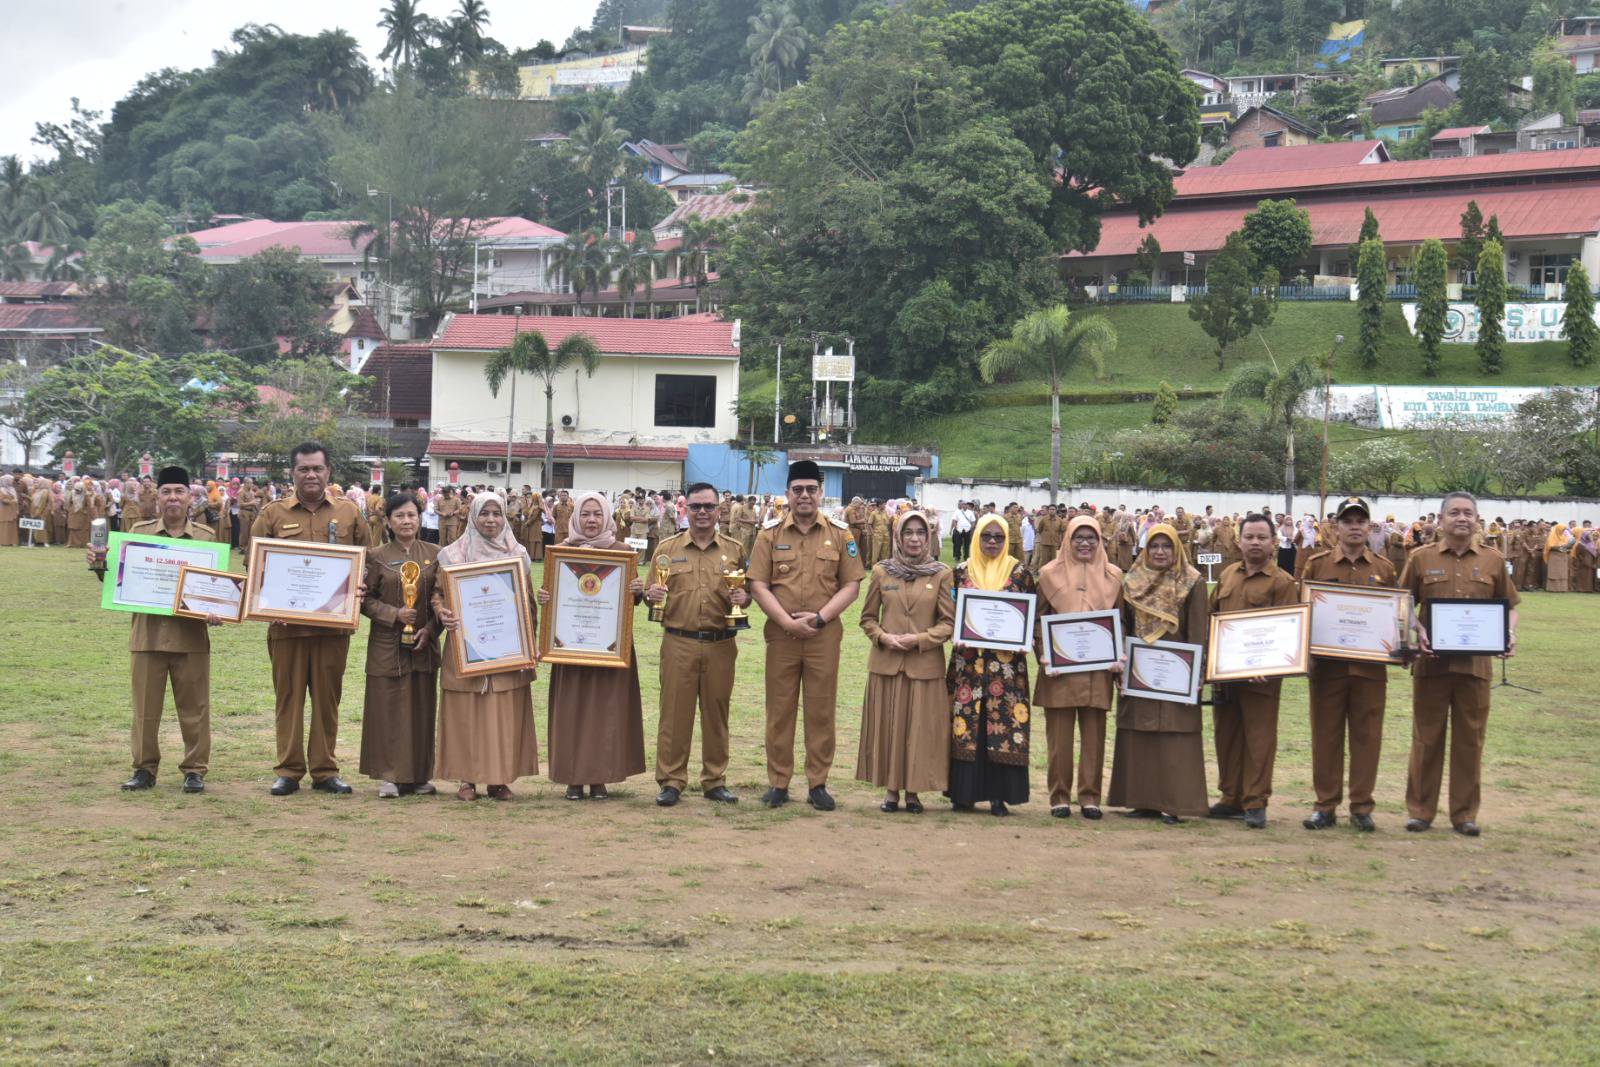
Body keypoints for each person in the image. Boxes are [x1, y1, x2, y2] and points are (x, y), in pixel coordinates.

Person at [249, 441, 373, 796]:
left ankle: (324, 770)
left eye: (317, 468)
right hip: (286, 628)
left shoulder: (349, 513)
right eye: (303, 469)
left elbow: (367, 562)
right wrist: (268, 602)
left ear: (328, 472)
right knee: (288, 699)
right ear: (293, 473)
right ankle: (288, 770)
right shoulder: (273, 514)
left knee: (326, 700)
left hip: (332, 628)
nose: (311, 475)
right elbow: (255, 567)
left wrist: (360, 588)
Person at [87, 466, 220, 793]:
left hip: (191, 638)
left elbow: (215, 589)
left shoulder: (206, 537)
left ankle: (194, 770)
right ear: (157, 497)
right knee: (145, 711)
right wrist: (99, 562)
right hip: (147, 636)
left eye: (179, 491)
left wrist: (218, 610)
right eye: (166, 491)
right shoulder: (138, 533)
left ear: (190, 497)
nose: (172, 497)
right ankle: (144, 769)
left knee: (195, 709)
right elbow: (117, 582)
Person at [747, 460, 865, 810]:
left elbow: (852, 585)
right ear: (787, 494)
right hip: (782, 636)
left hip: (823, 636)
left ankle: (818, 783)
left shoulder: (841, 534)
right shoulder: (769, 534)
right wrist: (786, 622)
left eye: (811, 489)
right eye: (797, 489)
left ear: (820, 493)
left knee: (821, 709)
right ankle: (779, 782)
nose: (804, 496)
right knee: (779, 709)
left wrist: (819, 619)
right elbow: (757, 584)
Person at [1400, 492, 1519, 836]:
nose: (1462, 518)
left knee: (1470, 741)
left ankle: (1464, 814)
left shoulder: (1493, 560)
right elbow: (1402, 603)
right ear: (1440, 520)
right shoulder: (1420, 559)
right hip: (1431, 665)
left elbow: (1510, 606)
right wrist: (1417, 630)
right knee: (1426, 739)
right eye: (1454, 513)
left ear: (1478, 519)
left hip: (1475, 668)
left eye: (1468, 512)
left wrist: (1508, 635)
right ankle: (1420, 812)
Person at [645, 482, 749, 807]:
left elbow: (747, 593)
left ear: (719, 510)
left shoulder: (734, 550)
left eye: (708, 506)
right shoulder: (666, 549)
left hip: (721, 642)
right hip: (679, 641)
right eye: (695, 507)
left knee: (717, 713)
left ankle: (715, 780)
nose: (702, 512)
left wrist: (745, 596)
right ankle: (671, 780)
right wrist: (652, 596)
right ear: (685, 509)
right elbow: (650, 593)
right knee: (674, 713)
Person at [538, 491, 647, 800]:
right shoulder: (561, 552)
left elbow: (630, 598)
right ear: (575, 517)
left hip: (610, 646)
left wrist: (636, 589)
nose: (591, 520)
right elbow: (553, 591)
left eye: (597, 514)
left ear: (607, 517)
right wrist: (545, 596)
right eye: (585, 514)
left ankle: (600, 776)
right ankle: (573, 777)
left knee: (606, 710)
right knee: (571, 709)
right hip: (571, 645)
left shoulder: (621, 551)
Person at [433, 492, 541, 801]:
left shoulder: (517, 555)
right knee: (467, 712)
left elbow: (528, 604)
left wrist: (528, 642)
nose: (491, 520)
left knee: (502, 713)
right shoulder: (453, 556)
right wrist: (443, 612)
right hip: (465, 647)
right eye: (485, 513)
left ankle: (499, 779)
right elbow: (438, 594)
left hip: (507, 648)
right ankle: (467, 780)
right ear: (473, 516)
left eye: (496, 513)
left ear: (504, 517)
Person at [1297, 498, 1395, 832]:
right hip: (1328, 669)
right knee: (1326, 737)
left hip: (1370, 671)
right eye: (1348, 521)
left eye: (1360, 521)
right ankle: (1325, 806)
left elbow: (1395, 618)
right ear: (1336, 527)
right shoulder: (1317, 565)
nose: (1354, 526)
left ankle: (1361, 807)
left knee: (1367, 739)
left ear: (1369, 527)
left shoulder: (1384, 568)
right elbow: (1303, 613)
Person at [1106, 524, 1209, 822]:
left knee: (1174, 734)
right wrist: (1121, 662)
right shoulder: (1133, 580)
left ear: (1176, 549)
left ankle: (1175, 803)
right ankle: (1143, 799)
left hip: (1178, 673)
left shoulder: (1192, 582)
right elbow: (1122, 623)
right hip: (1140, 673)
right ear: (1146, 549)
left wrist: (1196, 676)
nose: (1160, 551)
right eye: (1154, 546)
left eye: (1166, 546)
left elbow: (1198, 632)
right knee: (1140, 734)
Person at [855, 510, 955, 814]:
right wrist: (883, 637)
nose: (914, 538)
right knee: (891, 727)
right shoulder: (882, 572)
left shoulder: (941, 573)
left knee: (919, 729)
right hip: (887, 664)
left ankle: (914, 791)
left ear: (928, 537)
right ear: (898, 536)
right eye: (908, 533)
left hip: (924, 666)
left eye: (920, 533)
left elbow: (948, 623)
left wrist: (920, 640)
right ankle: (891, 791)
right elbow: (868, 618)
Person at [1208, 513, 1299, 829]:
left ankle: (1255, 801)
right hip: (1226, 675)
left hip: (1262, 678)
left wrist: (1271, 666)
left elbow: (1289, 630)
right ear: (1239, 540)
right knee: (1227, 736)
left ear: (1274, 542)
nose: (1255, 542)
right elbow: (1213, 618)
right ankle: (1230, 796)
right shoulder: (1227, 576)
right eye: (1249, 537)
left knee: (1259, 739)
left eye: (1262, 537)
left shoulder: (1283, 582)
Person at [944, 514, 1035, 816]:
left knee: (1003, 725)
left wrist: (1025, 640)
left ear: (1007, 539)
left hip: (1006, 668)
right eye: (987, 536)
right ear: (977, 537)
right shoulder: (959, 572)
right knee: (966, 725)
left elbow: (1029, 617)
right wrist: (957, 633)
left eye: (998, 536)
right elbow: (950, 612)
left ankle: (1000, 795)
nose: (993, 542)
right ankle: (963, 793)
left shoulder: (1020, 574)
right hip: (968, 664)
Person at [1035, 516, 1123, 820]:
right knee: (1059, 739)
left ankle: (1090, 797)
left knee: (1094, 738)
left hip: (1097, 671)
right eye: (1078, 538)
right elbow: (1038, 621)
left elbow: (1120, 622)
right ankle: (1059, 796)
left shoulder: (1114, 576)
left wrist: (1118, 655)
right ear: (1067, 540)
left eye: (1091, 538)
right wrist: (1045, 654)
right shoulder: (1047, 574)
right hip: (1059, 670)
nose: (1085, 543)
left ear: (1100, 541)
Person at [359, 491, 441, 798]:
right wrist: (394, 614)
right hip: (386, 645)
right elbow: (364, 600)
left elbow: (444, 598)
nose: (407, 521)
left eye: (412, 515)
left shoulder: (436, 554)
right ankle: (389, 776)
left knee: (421, 709)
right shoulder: (376, 556)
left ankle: (419, 776)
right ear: (389, 522)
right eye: (400, 516)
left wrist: (431, 629)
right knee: (387, 709)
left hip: (423, 646)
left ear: (419, 519)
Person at [0, 474, 17, 547]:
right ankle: (3, 542)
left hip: (12, 510)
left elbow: (16, 500)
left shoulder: (12, 489)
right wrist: (12, 501)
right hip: (4, 510)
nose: (12, 482)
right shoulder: (1, 490)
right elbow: (3, 499)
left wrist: (17, 509)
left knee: (12, 526)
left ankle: (12, 542)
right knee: (4, 526)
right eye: (11, 480)